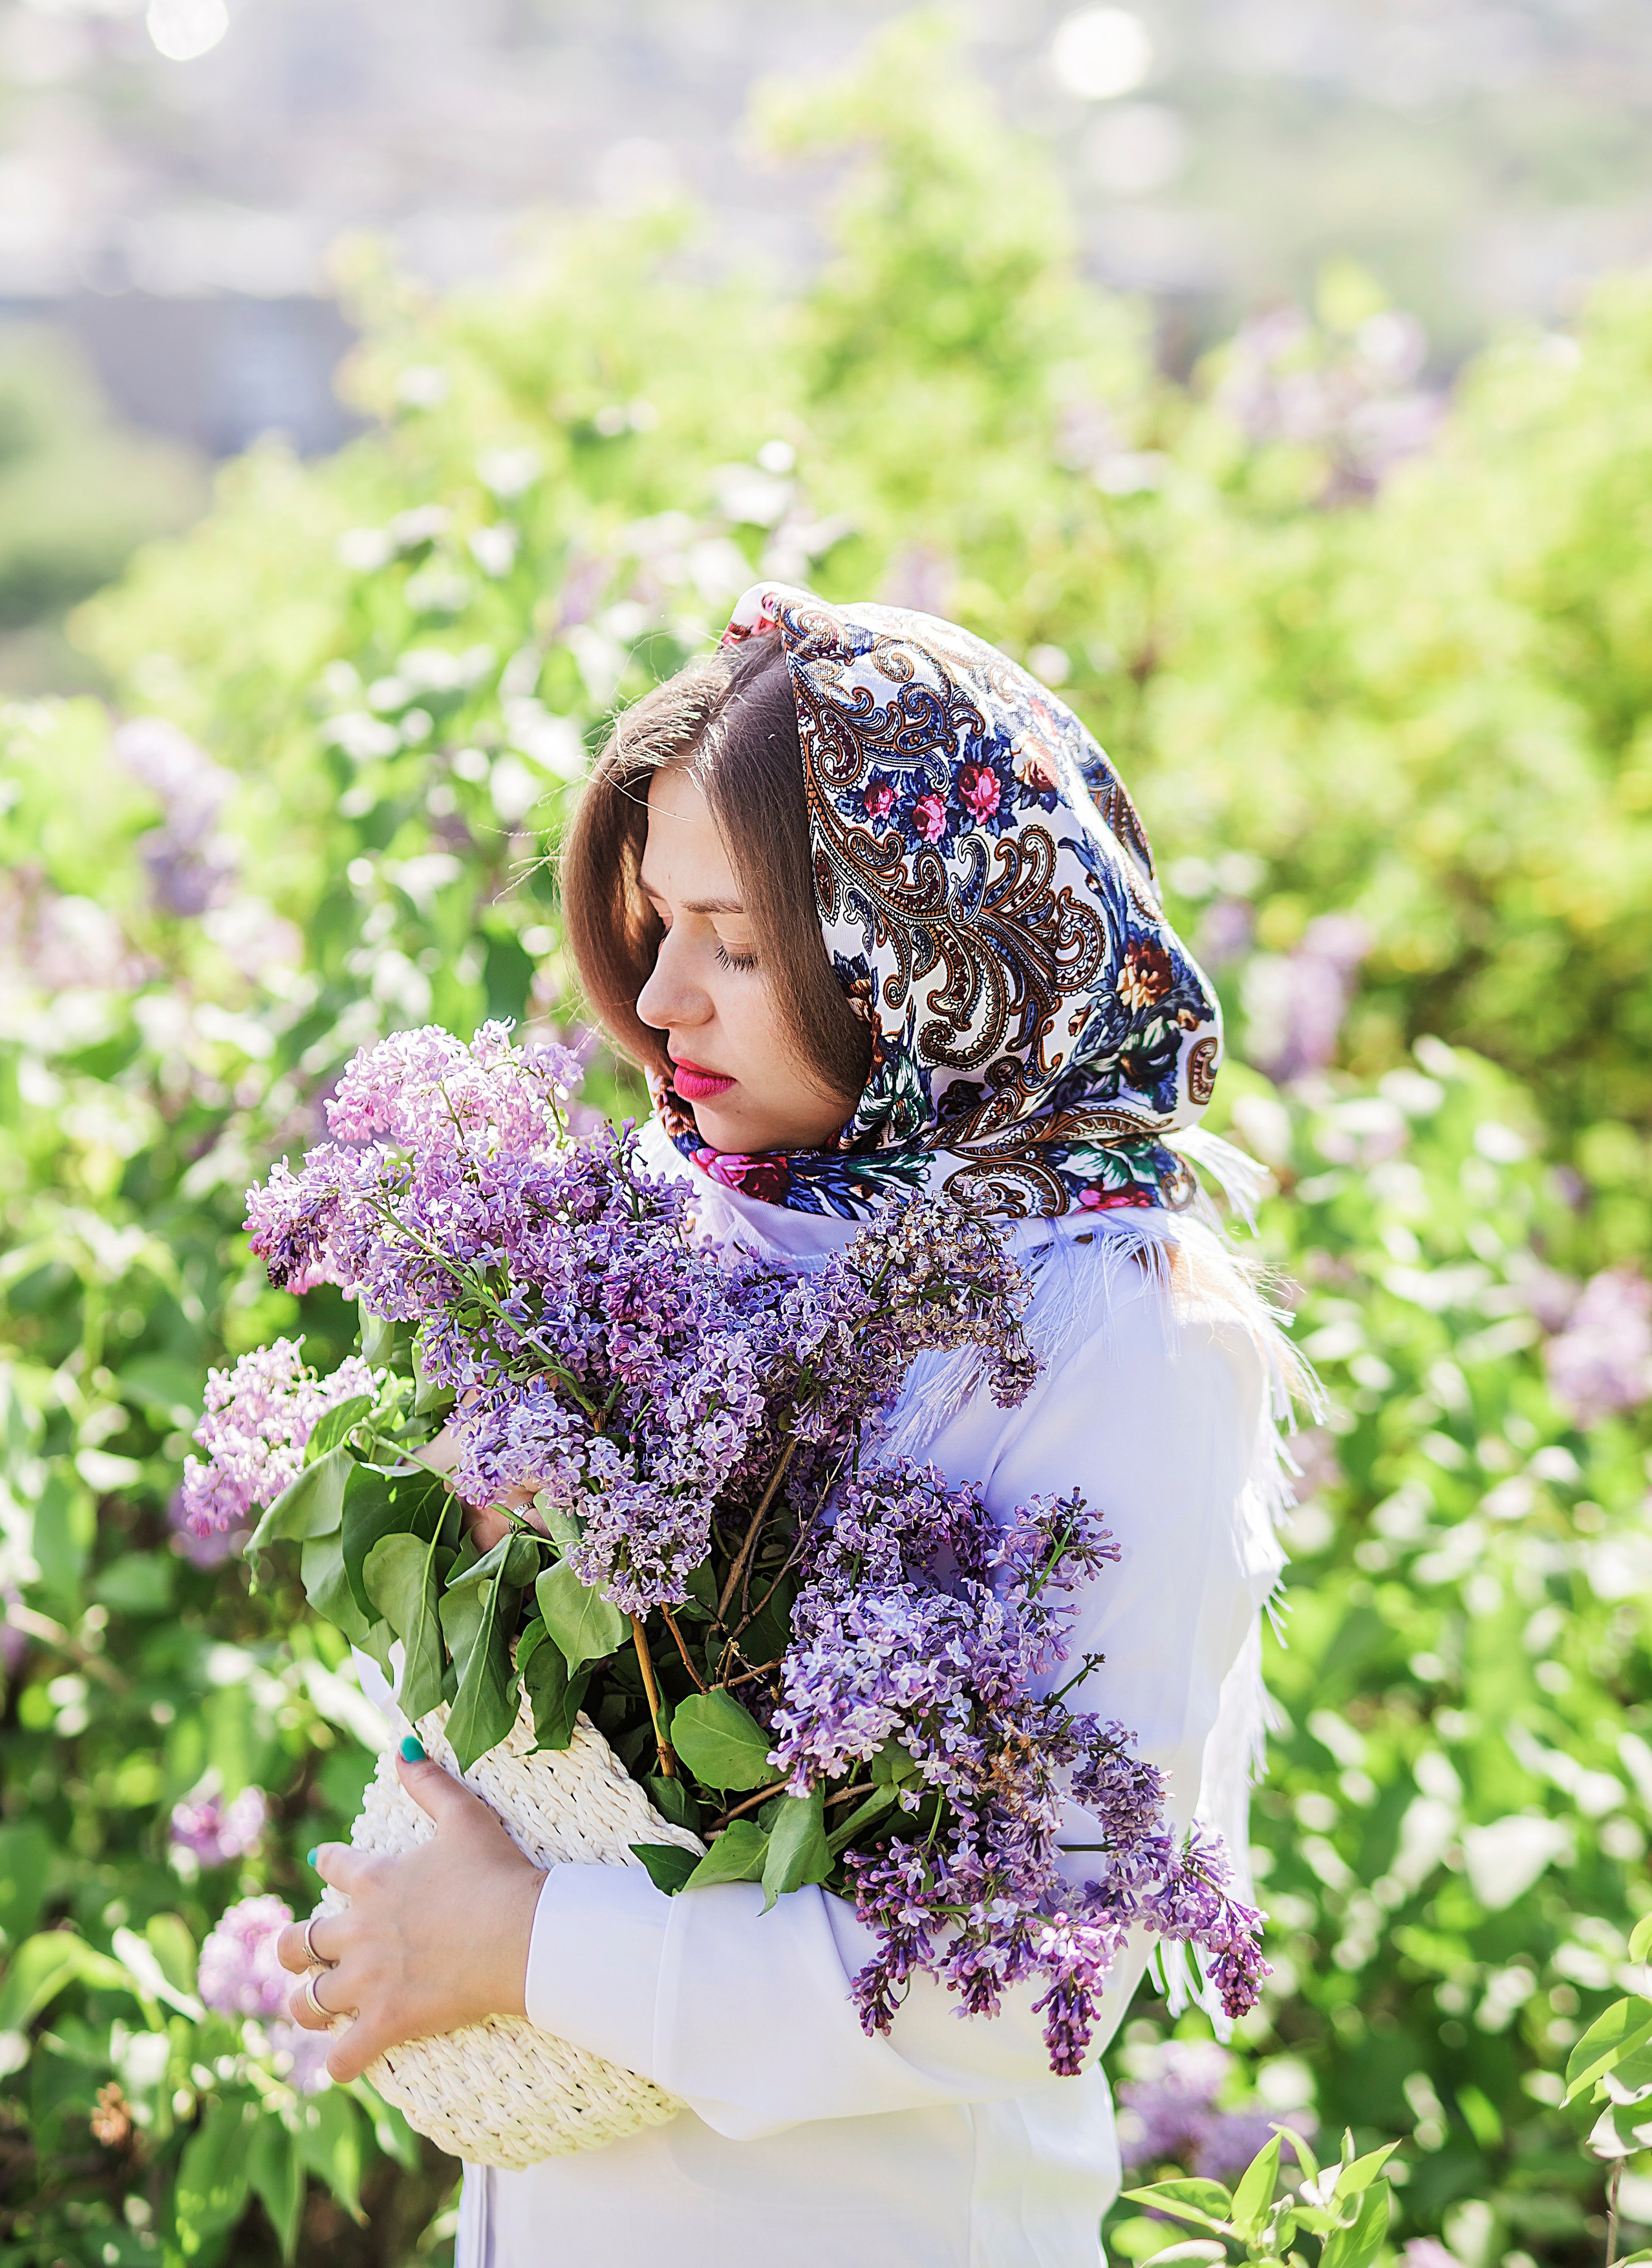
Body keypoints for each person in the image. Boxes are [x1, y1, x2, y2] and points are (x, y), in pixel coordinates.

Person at [278, 584, 1294, 2268]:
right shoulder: (657, 1235)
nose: (662, 997)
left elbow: (1026, 1967)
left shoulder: (1120, 1336)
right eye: (654, 922)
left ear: (930, 955)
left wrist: (524, 1948)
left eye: (738, 945)